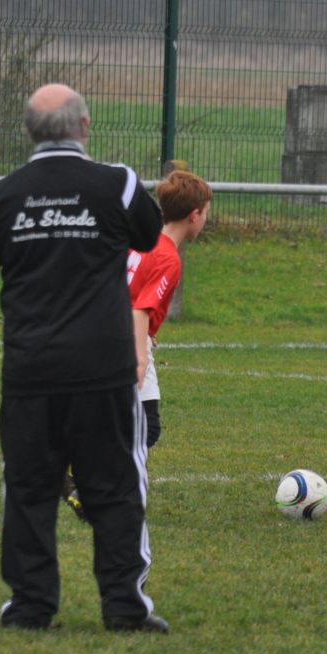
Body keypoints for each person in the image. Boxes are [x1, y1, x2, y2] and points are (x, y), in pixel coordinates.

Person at [0, 83, 167, 633]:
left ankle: (30, 607)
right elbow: (149, 235)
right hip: (104, 372)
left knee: (29, 491)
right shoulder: (117, 184)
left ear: (28, 132)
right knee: (116, 489)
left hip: (31, 372)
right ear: (85, 127)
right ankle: (125, 607)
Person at [65, 169, 212, 525]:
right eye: (207, 212)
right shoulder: (168, 258)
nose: (206, 218)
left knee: (135, 422)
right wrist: (140, 356)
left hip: (106, 328)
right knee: (141, 426)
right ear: (194, 215)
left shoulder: (140, 241)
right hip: (123, 339)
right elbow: (141, 308)